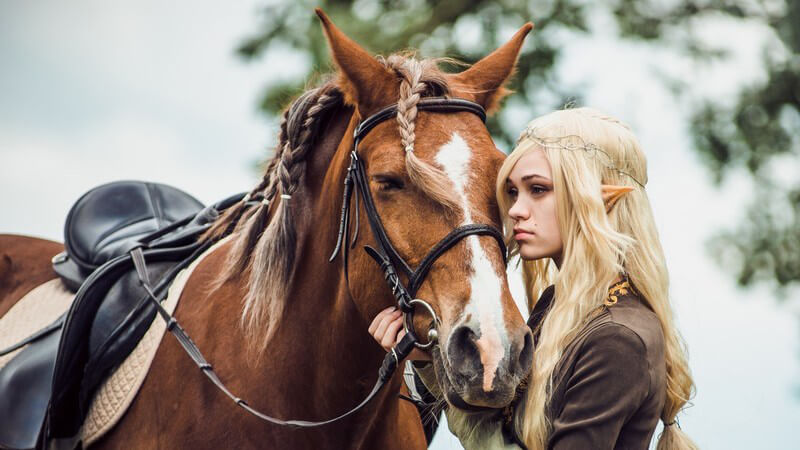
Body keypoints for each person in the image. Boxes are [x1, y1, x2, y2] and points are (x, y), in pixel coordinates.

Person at [369, 107, 696, 449]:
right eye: (512, 192)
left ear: (601, 199)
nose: (515, 210)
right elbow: (507, 437)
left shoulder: (619, 338)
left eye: (538, 190)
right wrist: (426, 361)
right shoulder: (558, 306)